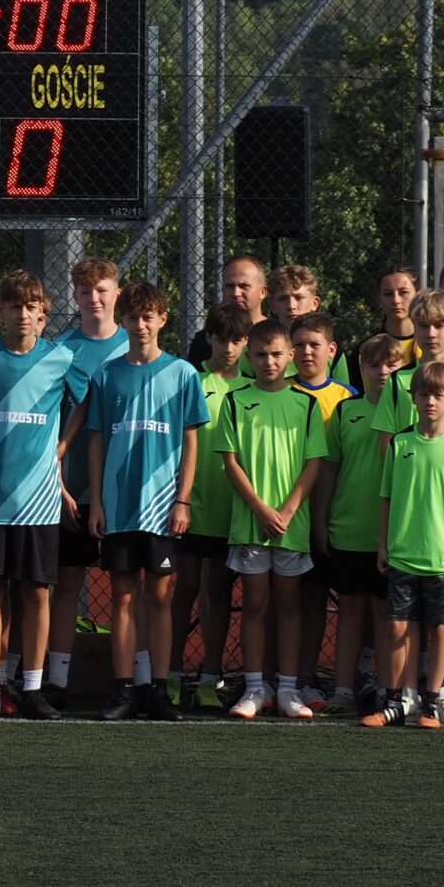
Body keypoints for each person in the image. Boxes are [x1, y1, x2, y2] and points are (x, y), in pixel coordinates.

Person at [0, 270, 85, 720]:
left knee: (36, 593)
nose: (24, 315)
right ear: (1, 311)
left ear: (43, 314)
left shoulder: (62, 359)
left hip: (39, 500)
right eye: (15, 307)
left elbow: (87, 400)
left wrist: (62, 447)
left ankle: (32, 688)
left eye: (32, 307)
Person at [83, 281, 206, 721]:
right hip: (118, 506)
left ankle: (157, 689)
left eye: (148, 316)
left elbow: (191, 442)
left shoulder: (183, 374)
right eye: (132, 317)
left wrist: (183, 500)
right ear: (123, 321)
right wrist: (97, 503)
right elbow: (96, 441)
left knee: (160, 596)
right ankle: (123, 690)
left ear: (162, 320)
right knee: (122, 597)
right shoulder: (107, 375)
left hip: (162, 507)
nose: (140, 325)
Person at [370, 291, 444, 725]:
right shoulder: (400, 382)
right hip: (409, 523)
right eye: (423, 325)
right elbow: (388, 446)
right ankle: (406, 695)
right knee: (406, 616)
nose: (431, 332)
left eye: (440, 324)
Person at [217, 318, 328, 720]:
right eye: (261, 355)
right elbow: (231, 462)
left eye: (277, 354)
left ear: (290, 356)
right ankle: (253, 689)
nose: (269, 361)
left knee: (289, 605)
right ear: (249, 356)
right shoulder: (235, 401)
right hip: (251, 524)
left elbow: (314, 463)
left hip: (290, 527)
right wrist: (261, 510)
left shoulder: (306, 404)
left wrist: (287, 510)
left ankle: (287, 690)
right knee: (254, 605)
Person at [44, 256, 128, 704]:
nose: (93, 298)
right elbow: (49, 427)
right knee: (66, 585)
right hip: (72, 492)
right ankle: (56, 683)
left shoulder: (137, 345)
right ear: (74, 296)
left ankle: (134, 683)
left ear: (117, 293)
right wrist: (57, 486)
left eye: (102, 290)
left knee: (128, 591)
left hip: (128, 495)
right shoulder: (59, 350)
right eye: (84, 291)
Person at [315, 330, 396, 718]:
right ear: (360, 368)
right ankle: (344, 691)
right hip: (348, 529)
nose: (382, 372)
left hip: (391, 535)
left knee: (384, 616)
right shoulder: (346, 411)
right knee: (349, 612)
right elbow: (329, 471)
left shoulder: (411, 412)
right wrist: (321, 521)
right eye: (374, 365)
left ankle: (385, 692)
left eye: (391, 365)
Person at [181, 303, 251, 709]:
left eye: (237, 340)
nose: (228, 348)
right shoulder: (191, 380)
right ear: (208, 338)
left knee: (218, 590)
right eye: (221, 339)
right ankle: (170, 674)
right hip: (191, 504)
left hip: (233, 509)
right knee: (183, 588)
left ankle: (211, 675)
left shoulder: (252, 387)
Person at [285, 309, 352, 706]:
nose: (307, 352)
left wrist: (324, 520)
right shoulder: (278, 390)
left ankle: (308, 677)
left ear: (332, 350)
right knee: (280, 601)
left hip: (331, 518)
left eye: (315, 345)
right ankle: (275, 678)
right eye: (299, 345)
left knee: (316, 600)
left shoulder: (347, 398)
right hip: (284, 515)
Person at [187, 253, 266, 373]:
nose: (236, 293)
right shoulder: (204, 340)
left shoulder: (278, 336)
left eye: (244, 286)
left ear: (262, 292)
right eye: (230, 286)